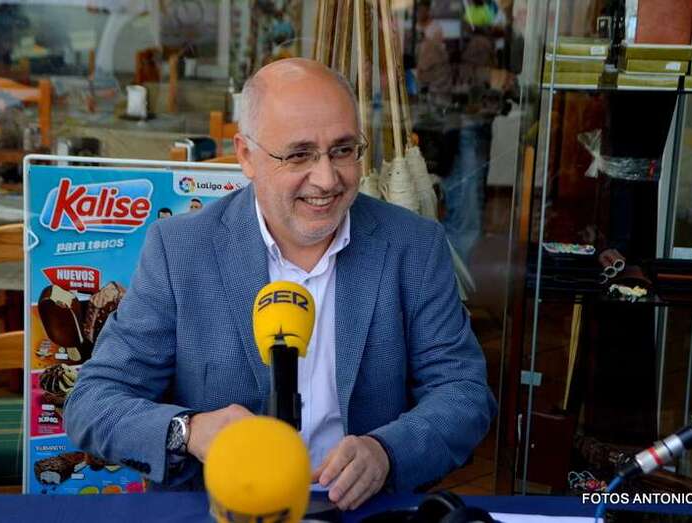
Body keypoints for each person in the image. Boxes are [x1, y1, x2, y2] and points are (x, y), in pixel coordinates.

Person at [64, 58, 496, 510]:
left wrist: (386, 453)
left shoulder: (414, 245)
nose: (326, 179)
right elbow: (94, 401)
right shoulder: (179, 250)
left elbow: (463, 393)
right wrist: (190, 431)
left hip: (363, 510)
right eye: (299, 155)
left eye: (343, 150)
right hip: (223, 511)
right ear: (246, 156)